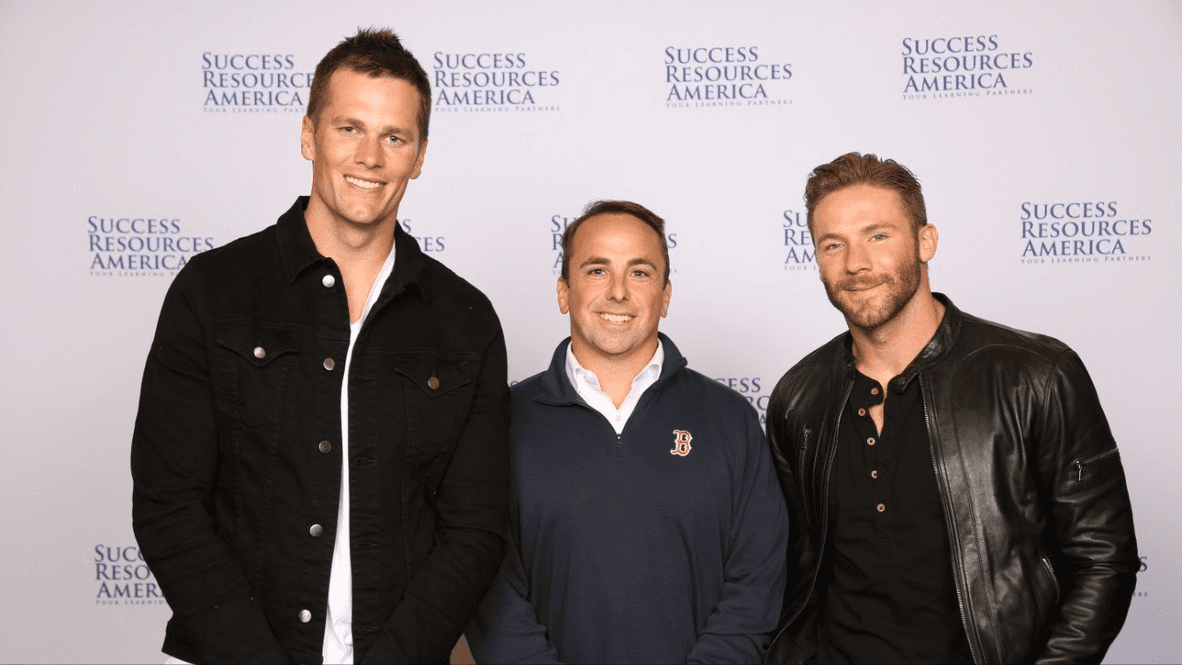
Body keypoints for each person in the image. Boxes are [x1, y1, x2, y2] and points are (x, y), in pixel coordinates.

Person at [130, 28, 509, 664]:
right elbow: (169, 507)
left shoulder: (466, 320)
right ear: (309, 136)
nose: (370, 156)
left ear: (419, 155)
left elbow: (475, 530)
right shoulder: (212, 291)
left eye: (395, 137)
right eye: (348, 129)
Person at [764, 152, 1139, 664]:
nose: (855, 263)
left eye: (878, 236)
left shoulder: (1036, 374)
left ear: (925, 241)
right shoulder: (799, 397)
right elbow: (795, 566)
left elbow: (1103, 559)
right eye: (833, 244)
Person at [466, 200, 788, 664]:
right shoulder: (500, 422)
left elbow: (757, 582)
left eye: (639, 273)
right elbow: (489, 586)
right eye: (597, 270)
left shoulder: (729, 419)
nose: (618, 292)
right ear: (563, 292)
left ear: (666, 294)